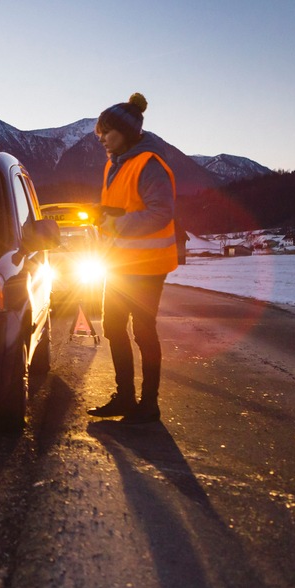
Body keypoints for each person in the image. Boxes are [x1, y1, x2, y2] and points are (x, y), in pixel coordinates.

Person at [86, 93, 179, 424]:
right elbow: (124, 207)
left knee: (143, 331)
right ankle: (124, 396)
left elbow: (160, 213)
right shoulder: (115, 163)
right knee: (113, 326)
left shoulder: (150, 164)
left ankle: (148, 404)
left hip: (148, 266)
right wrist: (103, 217)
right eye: (101, 135)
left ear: (127, 132)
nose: (103, 141)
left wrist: (114, 222)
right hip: (120, 264)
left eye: (107, 134)